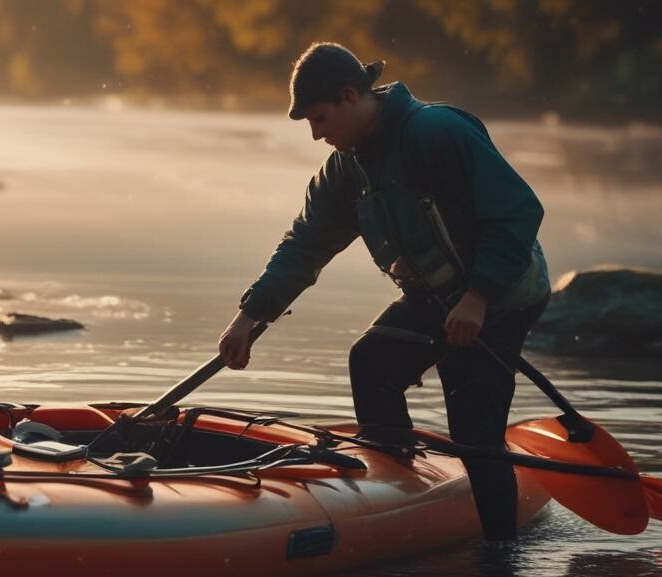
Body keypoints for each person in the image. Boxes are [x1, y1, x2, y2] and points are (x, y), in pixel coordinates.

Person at [217, 42, 551, 541]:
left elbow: (519, 211)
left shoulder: (437, 133)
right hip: (434, 296)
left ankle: (499, 561)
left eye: (320, 118)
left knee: (474, 432)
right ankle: (397, 494)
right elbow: (305, 245)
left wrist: (478, 298)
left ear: (351, 96)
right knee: (371, 362)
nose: (316, 134)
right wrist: (249, 317)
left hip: (502, 295)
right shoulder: (345, 169)